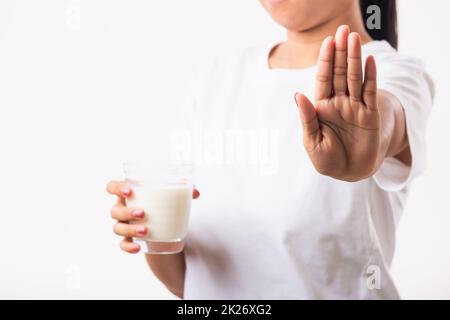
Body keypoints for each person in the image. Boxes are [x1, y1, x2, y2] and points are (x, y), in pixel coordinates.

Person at [107, 0, 434, 299]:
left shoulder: (393, 73)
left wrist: (368, 145)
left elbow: (387, 117)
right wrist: (154, 233)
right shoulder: (215, 78)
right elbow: (189, 283)